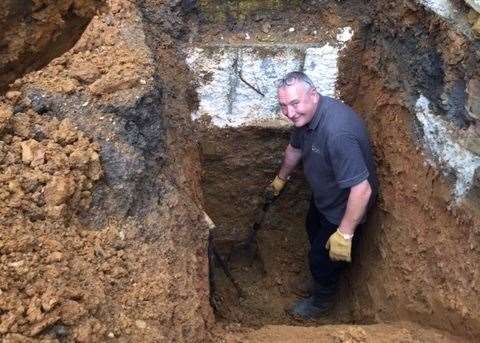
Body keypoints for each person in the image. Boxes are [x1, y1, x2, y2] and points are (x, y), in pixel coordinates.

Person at [266, 71, 378, 320]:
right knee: (311, 226)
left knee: (321, 257)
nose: (290, 113)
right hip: (324, 198)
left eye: (295, 103)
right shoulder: (304, 120)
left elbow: (362, 189)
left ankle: (322, 301)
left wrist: (345, 234)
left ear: (314, 95)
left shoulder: (337, 132)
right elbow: (294, 149)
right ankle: (326, 270)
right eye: (283, 106)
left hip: (344, 209)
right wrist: (280, 179)